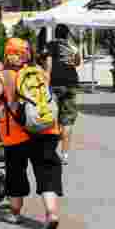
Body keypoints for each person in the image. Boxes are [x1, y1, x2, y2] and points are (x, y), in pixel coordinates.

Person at [0, 38, 63, 229]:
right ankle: (51, 214)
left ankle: (15, 214)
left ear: (8, 54)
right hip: (47, 129)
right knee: (47, 172)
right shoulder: (40, 73)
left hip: (17, 135)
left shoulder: (5, 76)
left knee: (16, 172)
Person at [45, 24, 81, 164]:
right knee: (67, 121)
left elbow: (48, 66)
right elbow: (77, 63)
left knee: (52, 118)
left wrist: (46, 84)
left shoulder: (51, 45)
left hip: (55, 84)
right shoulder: (72, 47)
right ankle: (65, 155)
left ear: (55, 34)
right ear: (67, 34)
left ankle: (50, 152)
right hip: (71, 84)